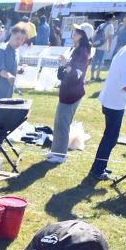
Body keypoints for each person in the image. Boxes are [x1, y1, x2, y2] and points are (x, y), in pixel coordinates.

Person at [45, 23, 92, 166]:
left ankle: (61, 154)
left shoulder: (82, 51)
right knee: (59, 122)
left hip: (72, 94)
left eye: (77, 31)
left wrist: (66, 64)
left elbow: (78, 73)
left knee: (63, 124)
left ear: (83, 35)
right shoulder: (77, 49)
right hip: (67, 92)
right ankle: (56, 150)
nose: (74, 33)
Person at [88, 40, 126, 181]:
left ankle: (100, 165)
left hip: (114, 99)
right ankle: (98, 170)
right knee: (110, 138)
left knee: (110, 137)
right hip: (114, 101)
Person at [0, 22, 28, 103]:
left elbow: (9, 67)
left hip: (6, 97)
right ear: (12, 35)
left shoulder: (16, 51)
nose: (19, 42)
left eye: (22, 40)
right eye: (17, 38)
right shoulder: (2, 50)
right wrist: (9, 75)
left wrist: (17, 70)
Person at [90, 15, 115, 81]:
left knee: (94, 61)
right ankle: (97, 77)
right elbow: (110, 38)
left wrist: (93, 44)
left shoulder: (101, 25)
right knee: (100, 62)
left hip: (96, 46)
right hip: (103, 47)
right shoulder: (110, 26)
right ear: (111, 19)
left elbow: (94, 35)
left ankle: (92, 76)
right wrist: (109, 47)